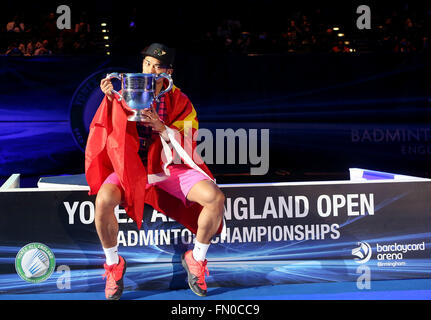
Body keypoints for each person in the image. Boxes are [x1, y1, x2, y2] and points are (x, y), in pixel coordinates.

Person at [85, 43, 225, 300]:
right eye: (146, 63)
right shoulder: (124, 94)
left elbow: (189, 140)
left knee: (215, 198)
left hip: (168, 167)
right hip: (132, 168)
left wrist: (162, 128)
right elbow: (106, 133)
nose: (149, 69)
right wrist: (107, 99)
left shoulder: (180, 101)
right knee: (104, 200)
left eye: (156, 66)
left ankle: (196, 259)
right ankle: (113, 264)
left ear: (167, 73)